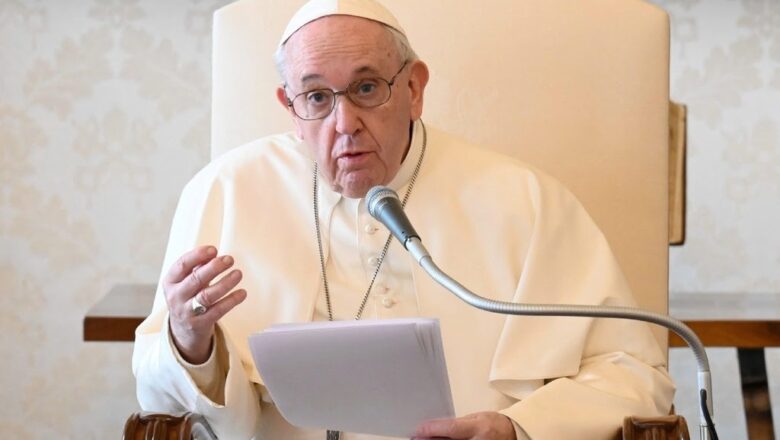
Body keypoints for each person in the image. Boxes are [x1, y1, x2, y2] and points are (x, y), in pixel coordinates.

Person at [133, 0, 675, 438]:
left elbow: (635, 375)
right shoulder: (226, 190)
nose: (344, 123)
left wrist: (517, 428)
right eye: (317, 97)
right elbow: (159, 401)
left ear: (414, 88)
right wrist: (190, 342)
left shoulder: (524, 200)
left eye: (367, 88)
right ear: (290, 106)